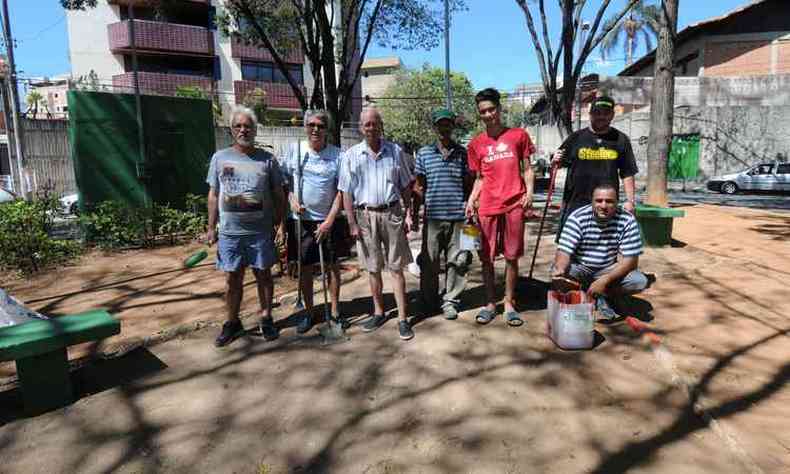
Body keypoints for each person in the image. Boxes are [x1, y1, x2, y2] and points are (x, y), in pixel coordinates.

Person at [207, 106, 286, 347]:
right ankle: (232, 322)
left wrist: (281, 224)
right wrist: (211, 227)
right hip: (230, 233)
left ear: (255, 129)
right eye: (239, 126)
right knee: (232, 279)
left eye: (248, 126)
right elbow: (213, 194)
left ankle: (266, 318)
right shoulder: (220, 158)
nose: (244, 129)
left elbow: (279, 194)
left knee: (264, 276)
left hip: (260, 232)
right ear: (232, 130)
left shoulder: (267, 159)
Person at [339, 107, 416, 341]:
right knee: (372, 268)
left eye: (374, 123)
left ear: (380, 125)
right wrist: (352, 222)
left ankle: (403, 318)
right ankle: (379, 311)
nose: (370, 128)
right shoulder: (351, 155)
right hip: (365, 216)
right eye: (366, 124)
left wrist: (409, 214)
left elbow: (405, 185)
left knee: (396, 267)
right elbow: (346, 192)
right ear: (361, 128)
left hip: (391, 213)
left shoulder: (395, 151)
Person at [465, 88, 535, 327]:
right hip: (487, 206)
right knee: (486, 258)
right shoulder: (476, 144)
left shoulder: (518, 135)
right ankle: (490, 303)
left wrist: (530, 192)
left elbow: (527, 168)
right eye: (483, 111)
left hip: (515, 203)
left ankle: (509, 304)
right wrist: (471, 199)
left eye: (491, 109)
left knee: (512, 257)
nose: (488, 115)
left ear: (499, 109)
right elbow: (479, 178)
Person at [282, 110, 346, 334]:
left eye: (320, 125)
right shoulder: (295, 151)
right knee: (305, 268)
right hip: (302, 221)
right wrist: (291, 200)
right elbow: (285, 183)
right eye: (311, 125)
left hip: (329, 221)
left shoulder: (338, 155)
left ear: (326, 129)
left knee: (333, 267)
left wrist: (329, 220)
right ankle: (309, 312)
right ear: (305, 127)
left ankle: (335, 311)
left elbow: (341, 191)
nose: (315, 129)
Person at [551, 183, 649, 320]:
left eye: (609, 201)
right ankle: (589, 292)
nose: (603, 206)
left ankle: (604, 294)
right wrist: (560, 269)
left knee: (639, 281)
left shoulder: (627, 220)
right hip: (581, 268)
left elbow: (631, 261)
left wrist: (605, 280)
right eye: (599, 200)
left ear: (617, 202)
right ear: (592, 201)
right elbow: (564, 251)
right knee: (559, 273)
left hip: (608, 269)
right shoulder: (577, 217)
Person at [552, 95, 639, 239]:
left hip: (606, 204)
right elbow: (558, 164)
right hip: (576, 202)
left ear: (612, 115)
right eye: (597, 113)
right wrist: (556, 160)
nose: (601, 116)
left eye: (605, 113)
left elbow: (628, 172)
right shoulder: (576, 138)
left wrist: (630, 201)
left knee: (605, 245)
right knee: (569, 245)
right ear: (590, 114)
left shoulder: (621, 139)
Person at [414, 108, 472, 320]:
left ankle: (451, 301)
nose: (444, 128)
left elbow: (470, 184)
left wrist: (469, 210)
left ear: (452, 127)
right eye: (440, 124)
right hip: (433, 218)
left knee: (460, 261)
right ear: (435, 127)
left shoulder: (463, 153)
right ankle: (429, 301)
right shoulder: (424, 153)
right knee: (429, 263)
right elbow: (419, 187)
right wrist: (417, 213)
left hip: (460, 218)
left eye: (447, 124)